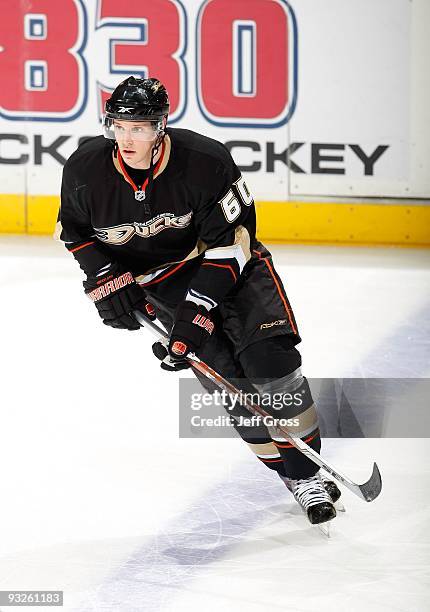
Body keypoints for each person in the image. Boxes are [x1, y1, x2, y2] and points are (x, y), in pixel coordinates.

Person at [57, 76, 340, 525]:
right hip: (163, 285)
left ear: (161, 127)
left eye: (141, 127)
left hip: (232, 268)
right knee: (234, 392)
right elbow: (74, 232)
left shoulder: (206, 160)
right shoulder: (85, 170)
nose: (128, 138)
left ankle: (307, 474)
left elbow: (233, 243)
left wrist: (196, 313)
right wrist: (106, 277)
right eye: (120, 126)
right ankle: (290, 473)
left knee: (272, 366)